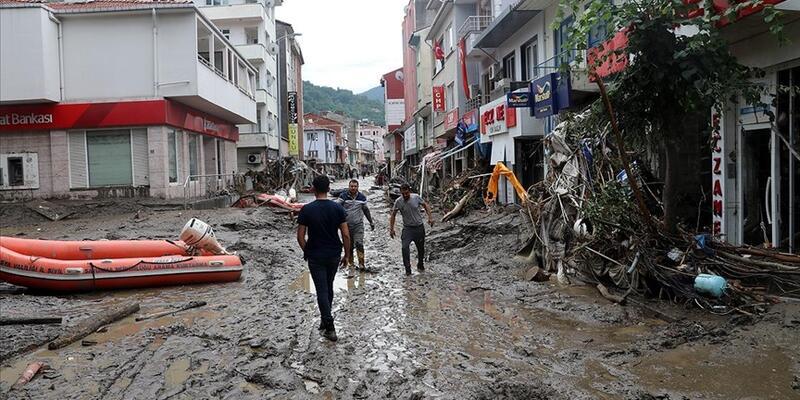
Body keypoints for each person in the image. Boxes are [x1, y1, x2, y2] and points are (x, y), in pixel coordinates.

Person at [297, 175, 351, 342]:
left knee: (321, 289)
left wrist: (308, 251)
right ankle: (325, 319)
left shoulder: (306, 209)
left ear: (313, 189)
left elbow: (300, 237)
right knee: (328, 287)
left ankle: (329, 326)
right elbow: (346, 234)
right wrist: (347, 255)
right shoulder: (338, 208)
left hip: (316, 256)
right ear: (328, 189)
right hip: (334, 254)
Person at [389, 183, 434, 275]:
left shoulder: (416, 197)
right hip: (407, 229)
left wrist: (430, 217)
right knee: (404, 247)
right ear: (401, 193)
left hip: (419, 227)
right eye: (403, 194)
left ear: (409, 191)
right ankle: (408, 270)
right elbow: (393, 215)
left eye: (406, 193)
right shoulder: (398, 201)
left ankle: (420, 264)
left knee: (420, 249)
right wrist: (391, 229)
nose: (405, 195)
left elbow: (425, 205)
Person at [338, 179, 375, 276]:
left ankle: (361, 264)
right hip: (346, 226)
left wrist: (371, 222)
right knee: (349, 246)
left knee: (359, 243)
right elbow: (336, 208)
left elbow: (366, 210)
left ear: (358, 187)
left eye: (355, 186)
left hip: (358, 225)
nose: (353, 188)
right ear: (349, 187)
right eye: (352, 186)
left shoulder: (362, 197)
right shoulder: (343, 196)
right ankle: (351, 264)